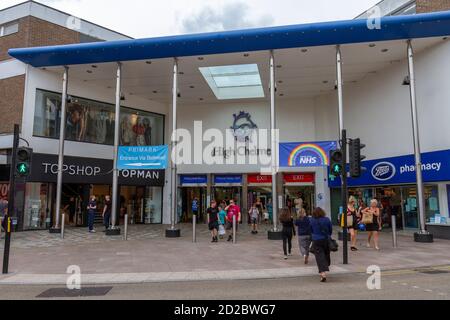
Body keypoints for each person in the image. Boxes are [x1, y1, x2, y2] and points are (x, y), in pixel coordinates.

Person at [310, 207, 333, 282]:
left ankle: (323, 274)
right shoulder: (327, 219)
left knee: (319, 257)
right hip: (325, 239)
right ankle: (326, 265)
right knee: (326, 253)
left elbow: (310, 230)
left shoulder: (312, 220)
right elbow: (330, 229)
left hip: (316, 240)